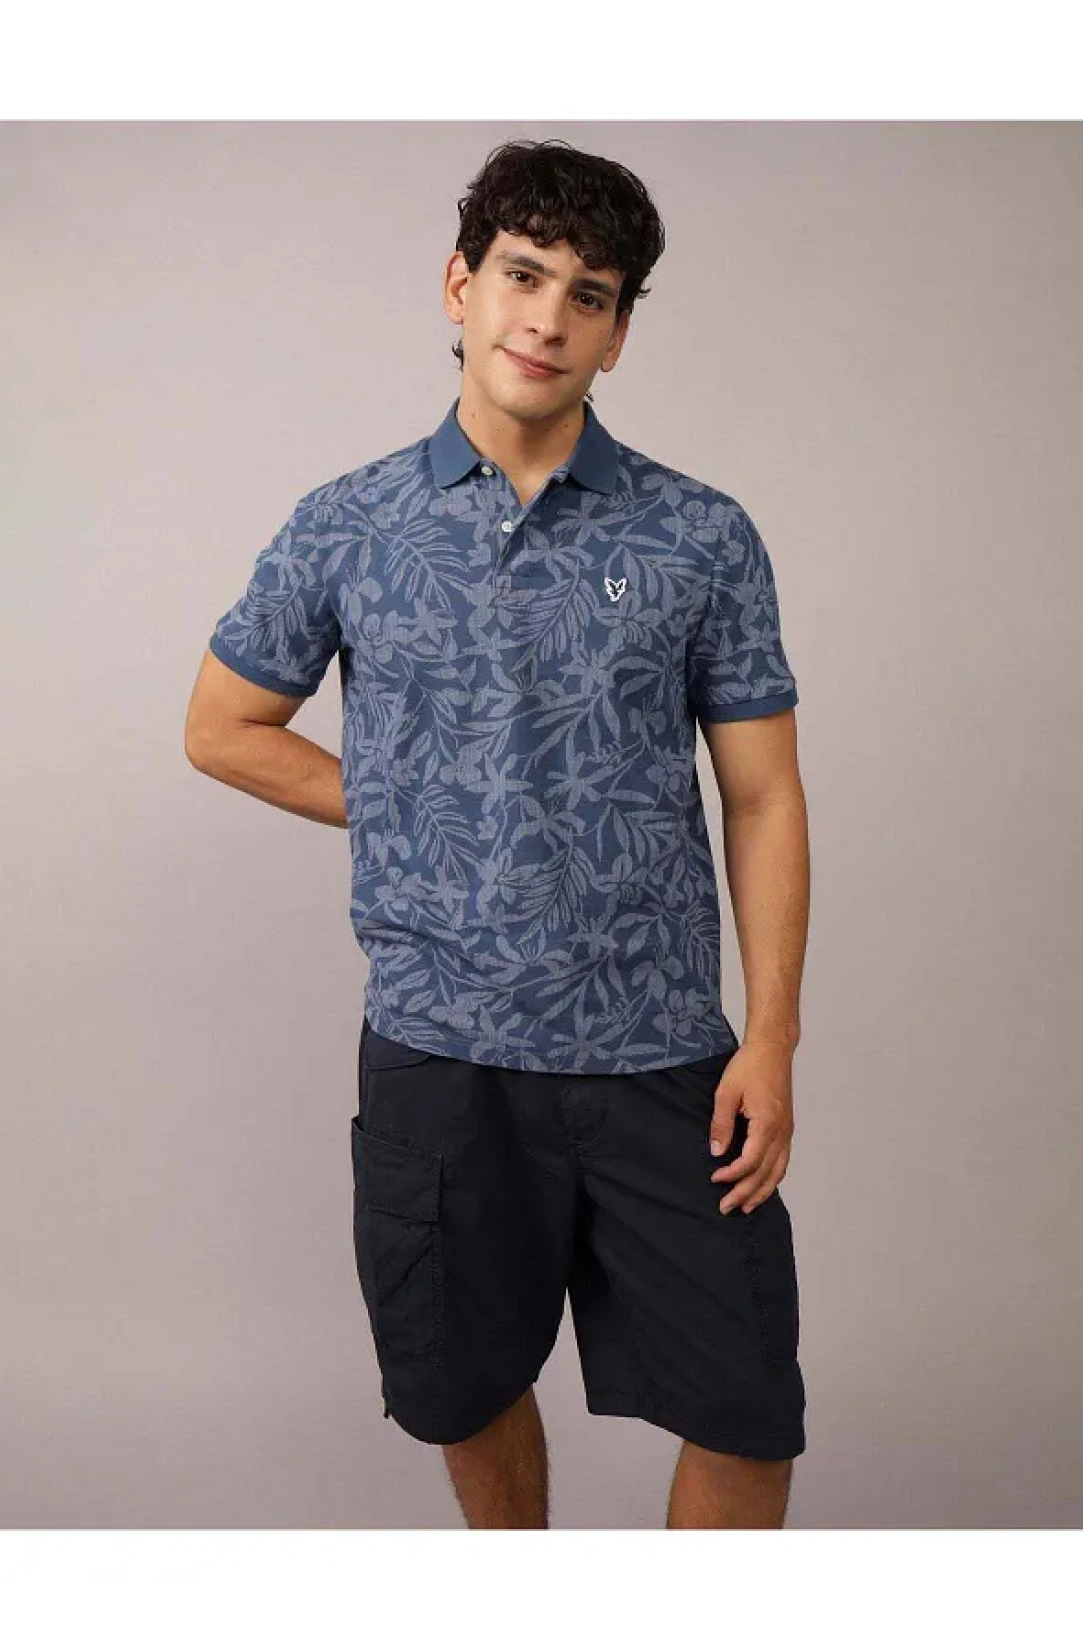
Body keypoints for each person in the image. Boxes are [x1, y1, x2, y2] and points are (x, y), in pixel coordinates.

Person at [185, 138, 810, 1529]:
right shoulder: (350, 525)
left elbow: (764, 796)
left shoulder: (702, 536)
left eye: (589, 295)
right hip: (441, 1051)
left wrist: (771, 1038)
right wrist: (411, 802)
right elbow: (221, 725)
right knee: (464, 1391)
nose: (548, 318)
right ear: (459, 286)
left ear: (619, 333)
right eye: (523, 276)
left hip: (663, 1055)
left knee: (747, 1408)